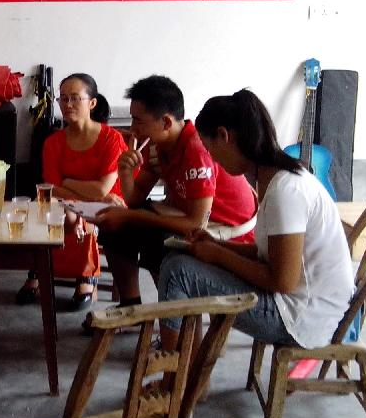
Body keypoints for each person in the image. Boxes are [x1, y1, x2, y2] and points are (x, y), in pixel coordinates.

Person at [157, 89, 355, 353]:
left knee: (179, 271)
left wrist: (217, 255)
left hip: (303, 317)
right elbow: (271, 254)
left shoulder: (285, 190)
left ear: (224, 136)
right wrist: (217, 244)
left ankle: (174, 370)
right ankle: (184, 364)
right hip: (298, 302)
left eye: (209, 148)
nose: (212, 158)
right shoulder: (275, 177)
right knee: (177, 258)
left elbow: (282, 280)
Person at [94, 75, 257, 308]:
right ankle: (130, 305)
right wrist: (126, 173)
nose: (133, 129)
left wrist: (132, 215)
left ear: (166, 123)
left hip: (226, 227)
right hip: (187, 214)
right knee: (113, 225)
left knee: (159, 241)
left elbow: (196, 224)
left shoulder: (196, 150)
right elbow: (135, 199)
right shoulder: (155, 144)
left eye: (138, 121)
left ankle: (175, 316)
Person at [17, 73, 126, 311]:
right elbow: (52, 187)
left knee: (76, 217)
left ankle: (85, 276)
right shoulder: (53, 142)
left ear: (92, 103)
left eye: (75, 98)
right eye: (63, 98)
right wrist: (85, 192)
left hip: (108, 207)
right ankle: (39, 271)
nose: (68, 105)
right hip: (66, 202)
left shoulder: (111, 139)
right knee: (61, 214)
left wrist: (68, 181)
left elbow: (103, 189)